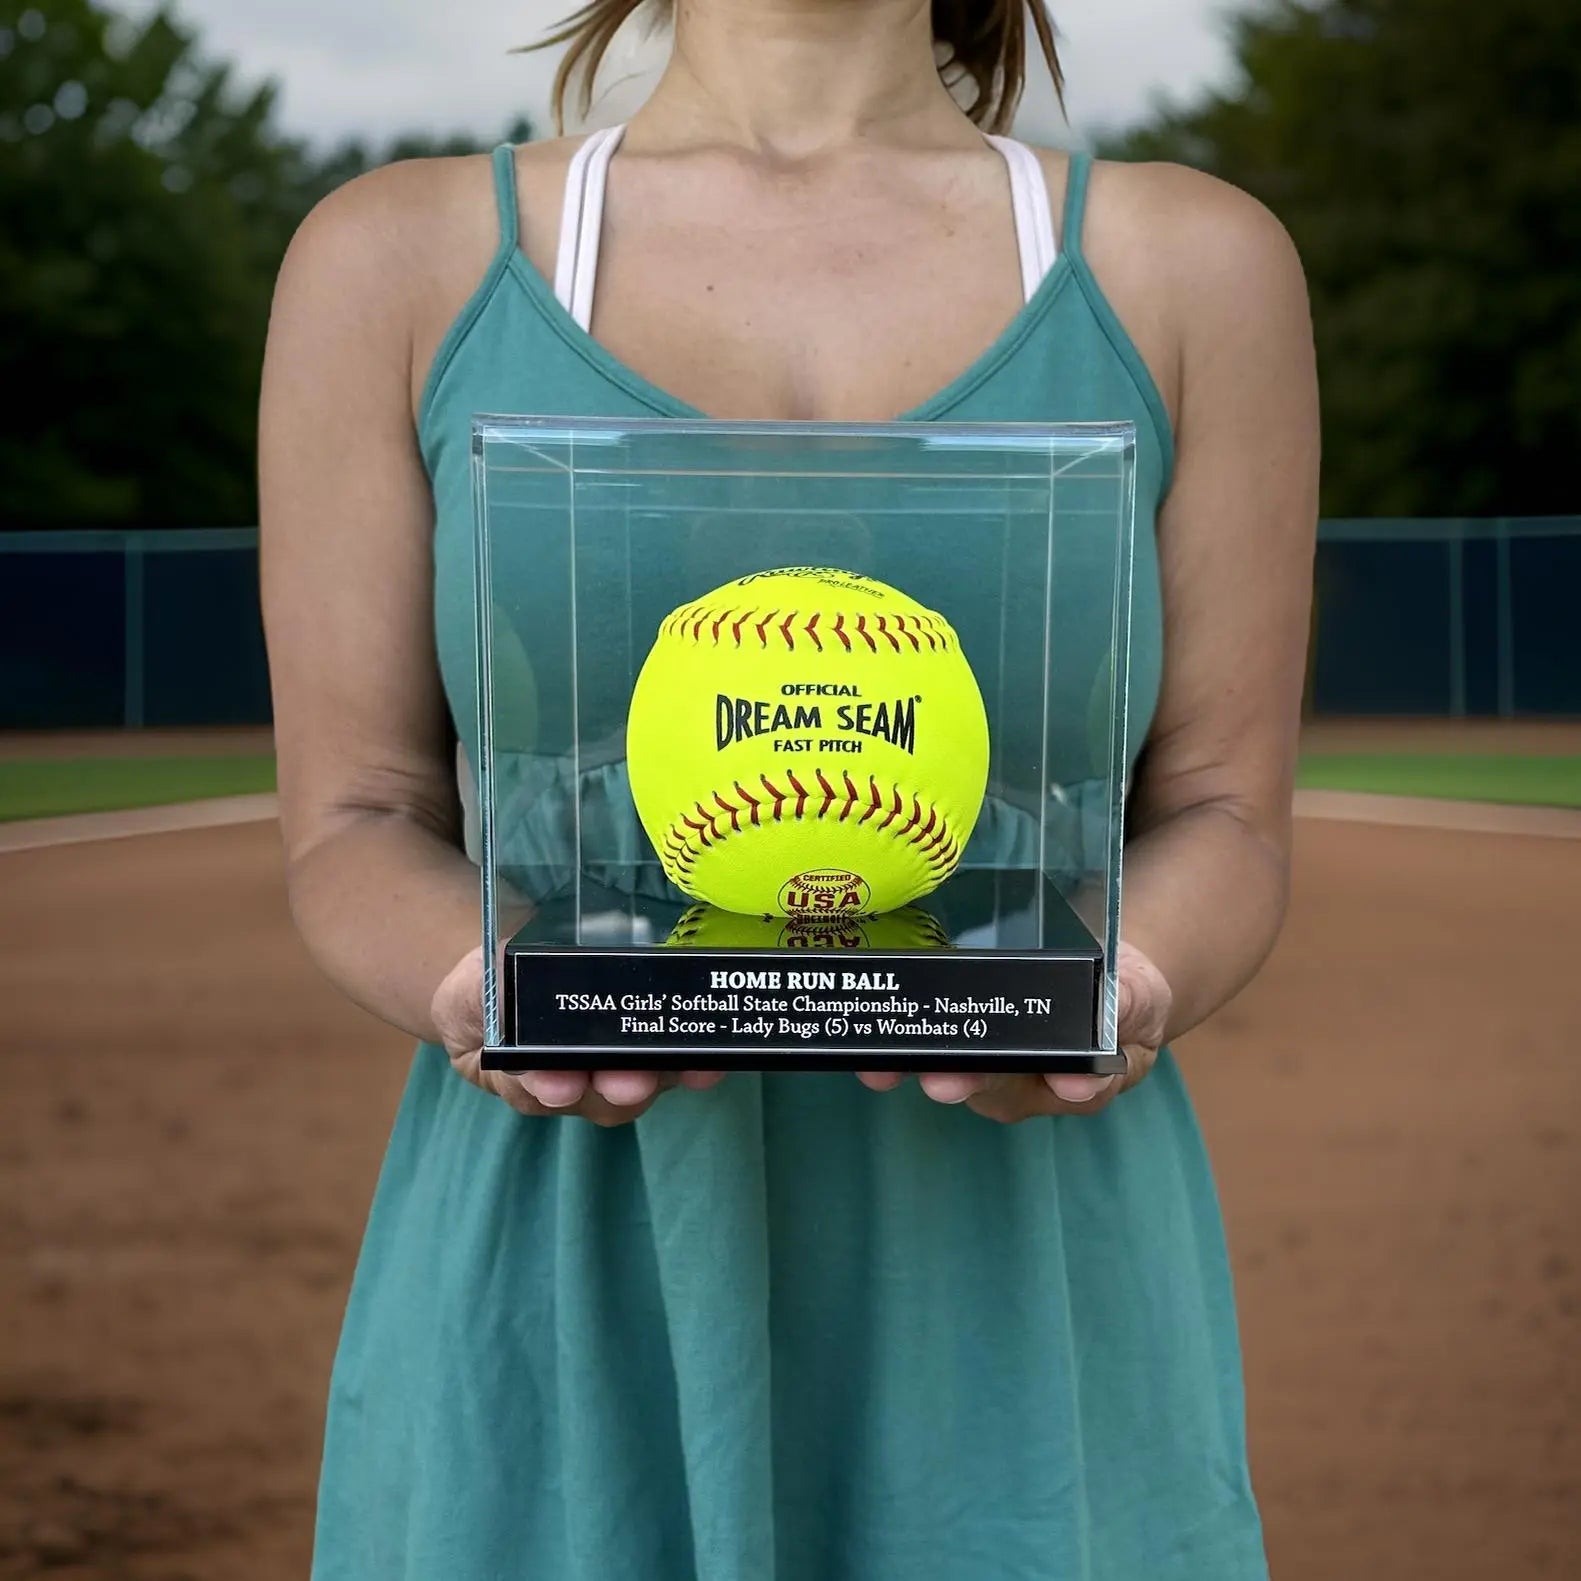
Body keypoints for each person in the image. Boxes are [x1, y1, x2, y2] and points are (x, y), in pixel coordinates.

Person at [259, 0, 1319, 1575]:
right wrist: (498, 983)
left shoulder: (1193, 263)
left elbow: (1226, 810)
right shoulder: (392, 257)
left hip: (1017, 1246)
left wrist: (1117, 983)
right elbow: (354, 814)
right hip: (575, 1233)